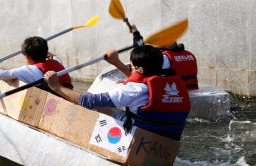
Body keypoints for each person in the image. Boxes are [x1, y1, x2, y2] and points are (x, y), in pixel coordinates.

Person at [44, 44, 191, 142]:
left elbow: (91, 101)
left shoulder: (134, 90)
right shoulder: (176, 85)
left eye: (131, 67)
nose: (130, 69)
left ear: (140, 69)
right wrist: (117, 63)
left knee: (90, 105)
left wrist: (56, 87)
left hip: (140, 141)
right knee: (107, 110)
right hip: (168, 142)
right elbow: (145, 84)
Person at [0, 36, 72, 95]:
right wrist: (44, 52)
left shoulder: (30, 70)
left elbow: (1, 74)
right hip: (70, 98)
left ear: (27, 58)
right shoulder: (57, 62)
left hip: (56, 104)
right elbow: (53, 56)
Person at [128, 25, 199, 91]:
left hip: (174, 93)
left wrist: (135, 33)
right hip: (191, 90)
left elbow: (140, 54)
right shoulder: (190, 54)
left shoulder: (165, 57)